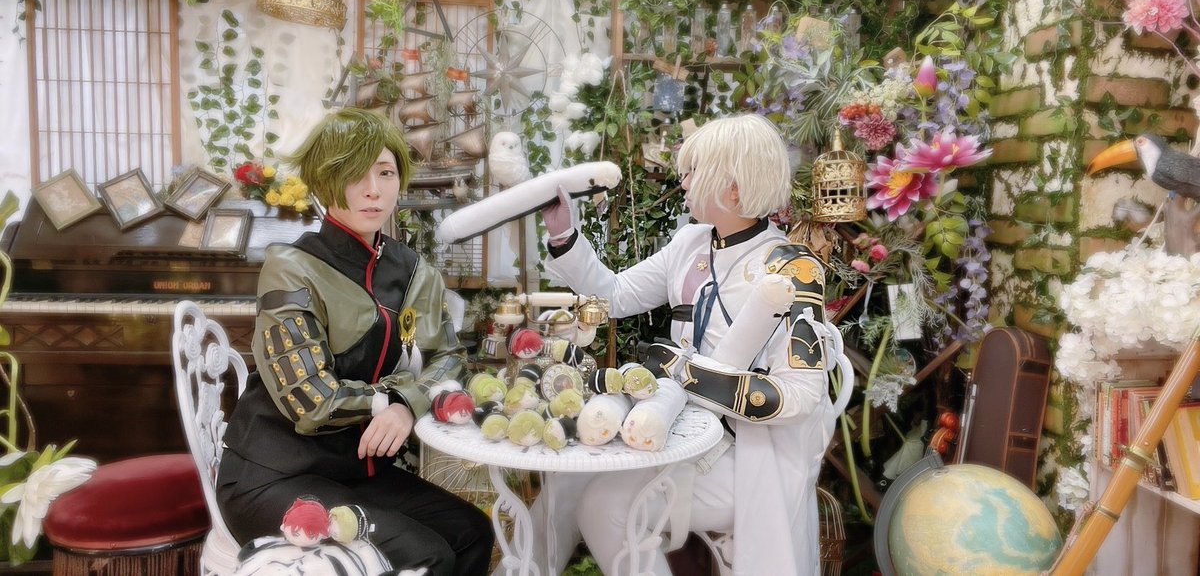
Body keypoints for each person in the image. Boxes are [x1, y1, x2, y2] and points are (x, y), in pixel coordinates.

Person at [536, 113, 839, 576]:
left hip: (748, 453)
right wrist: (564, 236)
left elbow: (800, 396)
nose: (683, 182)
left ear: (733, 188)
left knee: (603, 507)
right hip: (675, 426)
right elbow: (615, 295)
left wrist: (682, 374)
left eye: (694, 171)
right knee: (564, 487)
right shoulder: (690, 244)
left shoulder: (791, 268)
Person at [217, 108, 494, 575]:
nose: (373, 190)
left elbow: (448, 359)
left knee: (472, 533)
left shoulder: (413, 272)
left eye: (385, 173)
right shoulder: (291, 268)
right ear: (326, 180)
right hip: (274, 477)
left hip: (354, 475)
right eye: (354, 174)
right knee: (428, 555)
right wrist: (394, 398)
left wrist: (406, 405)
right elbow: (312, 400)